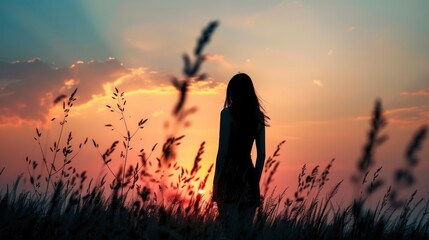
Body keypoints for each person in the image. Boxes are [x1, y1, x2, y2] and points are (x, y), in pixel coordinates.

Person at [213, 73, 269, 239]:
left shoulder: (226, 114)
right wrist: (254, 181)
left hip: (228, 178)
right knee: (244, 234)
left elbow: (222, 152)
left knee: (228, 234)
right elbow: (262, 155)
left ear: (233, 92)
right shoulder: (258, 118)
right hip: (249, 178)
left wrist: (216, 181)